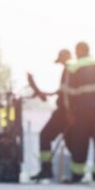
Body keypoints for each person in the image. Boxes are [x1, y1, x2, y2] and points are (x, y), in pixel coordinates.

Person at [63, 42, 95, 183]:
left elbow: (69, 93)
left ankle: (77, 174)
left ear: (78, 51)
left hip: (82, 112)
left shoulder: (74, 67)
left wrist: (69, 112)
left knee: (80, 143)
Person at [30, 49, 73, 182]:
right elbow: (62, 92)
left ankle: (47, 169)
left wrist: (68, 112)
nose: (61, 64)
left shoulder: (69, 70)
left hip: (64, 113)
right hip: (68, 112)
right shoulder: (70, 71)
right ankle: (73, 173)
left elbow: (67, 94)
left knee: (45, 136)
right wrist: (46, 94)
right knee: (72, 142)